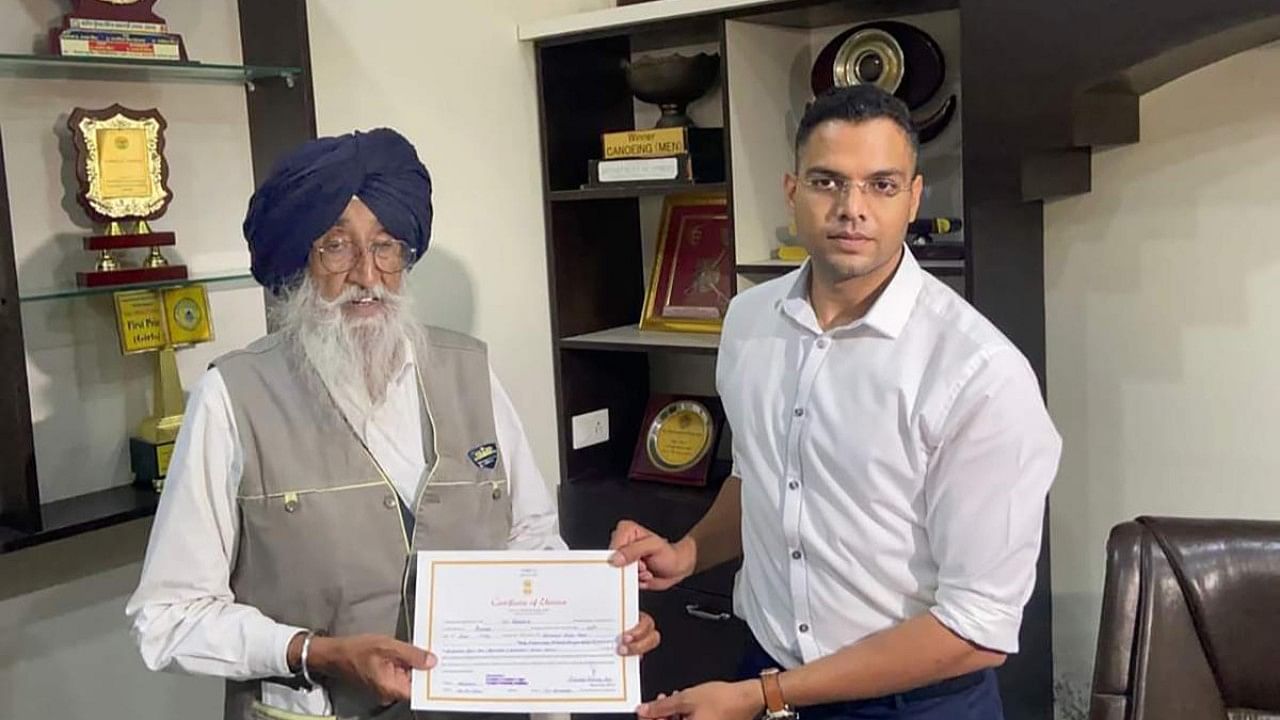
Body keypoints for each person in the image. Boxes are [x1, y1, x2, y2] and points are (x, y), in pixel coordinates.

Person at [126, 128, 658, 720]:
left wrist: (594, 616)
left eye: (386, 247)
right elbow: (167, 619)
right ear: (298, 264)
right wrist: (314, 652)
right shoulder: (232, 397)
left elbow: (527, 539)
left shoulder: (471, 373)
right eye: (336, 246)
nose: (367, 275)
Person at [609, 85, 1062, 720]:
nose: (852, 209)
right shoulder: (748, 320)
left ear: (913, 198)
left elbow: (977, 629)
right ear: (792, 191)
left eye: (880, 185)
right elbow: (762, 474)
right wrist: (688, 552)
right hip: (763, 666)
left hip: (910, 704)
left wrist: (761, 698)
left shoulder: (978, 374)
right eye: (828, 182)